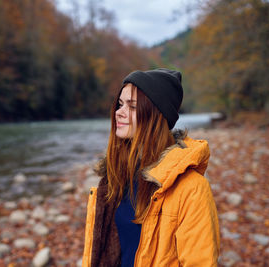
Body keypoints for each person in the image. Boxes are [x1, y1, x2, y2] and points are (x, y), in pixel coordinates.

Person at [82, 68, 220, 267]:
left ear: (156, 115)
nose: (118, 113)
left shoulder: (192, 189)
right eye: (120, 104)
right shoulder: (116, 179)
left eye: (132, 106)